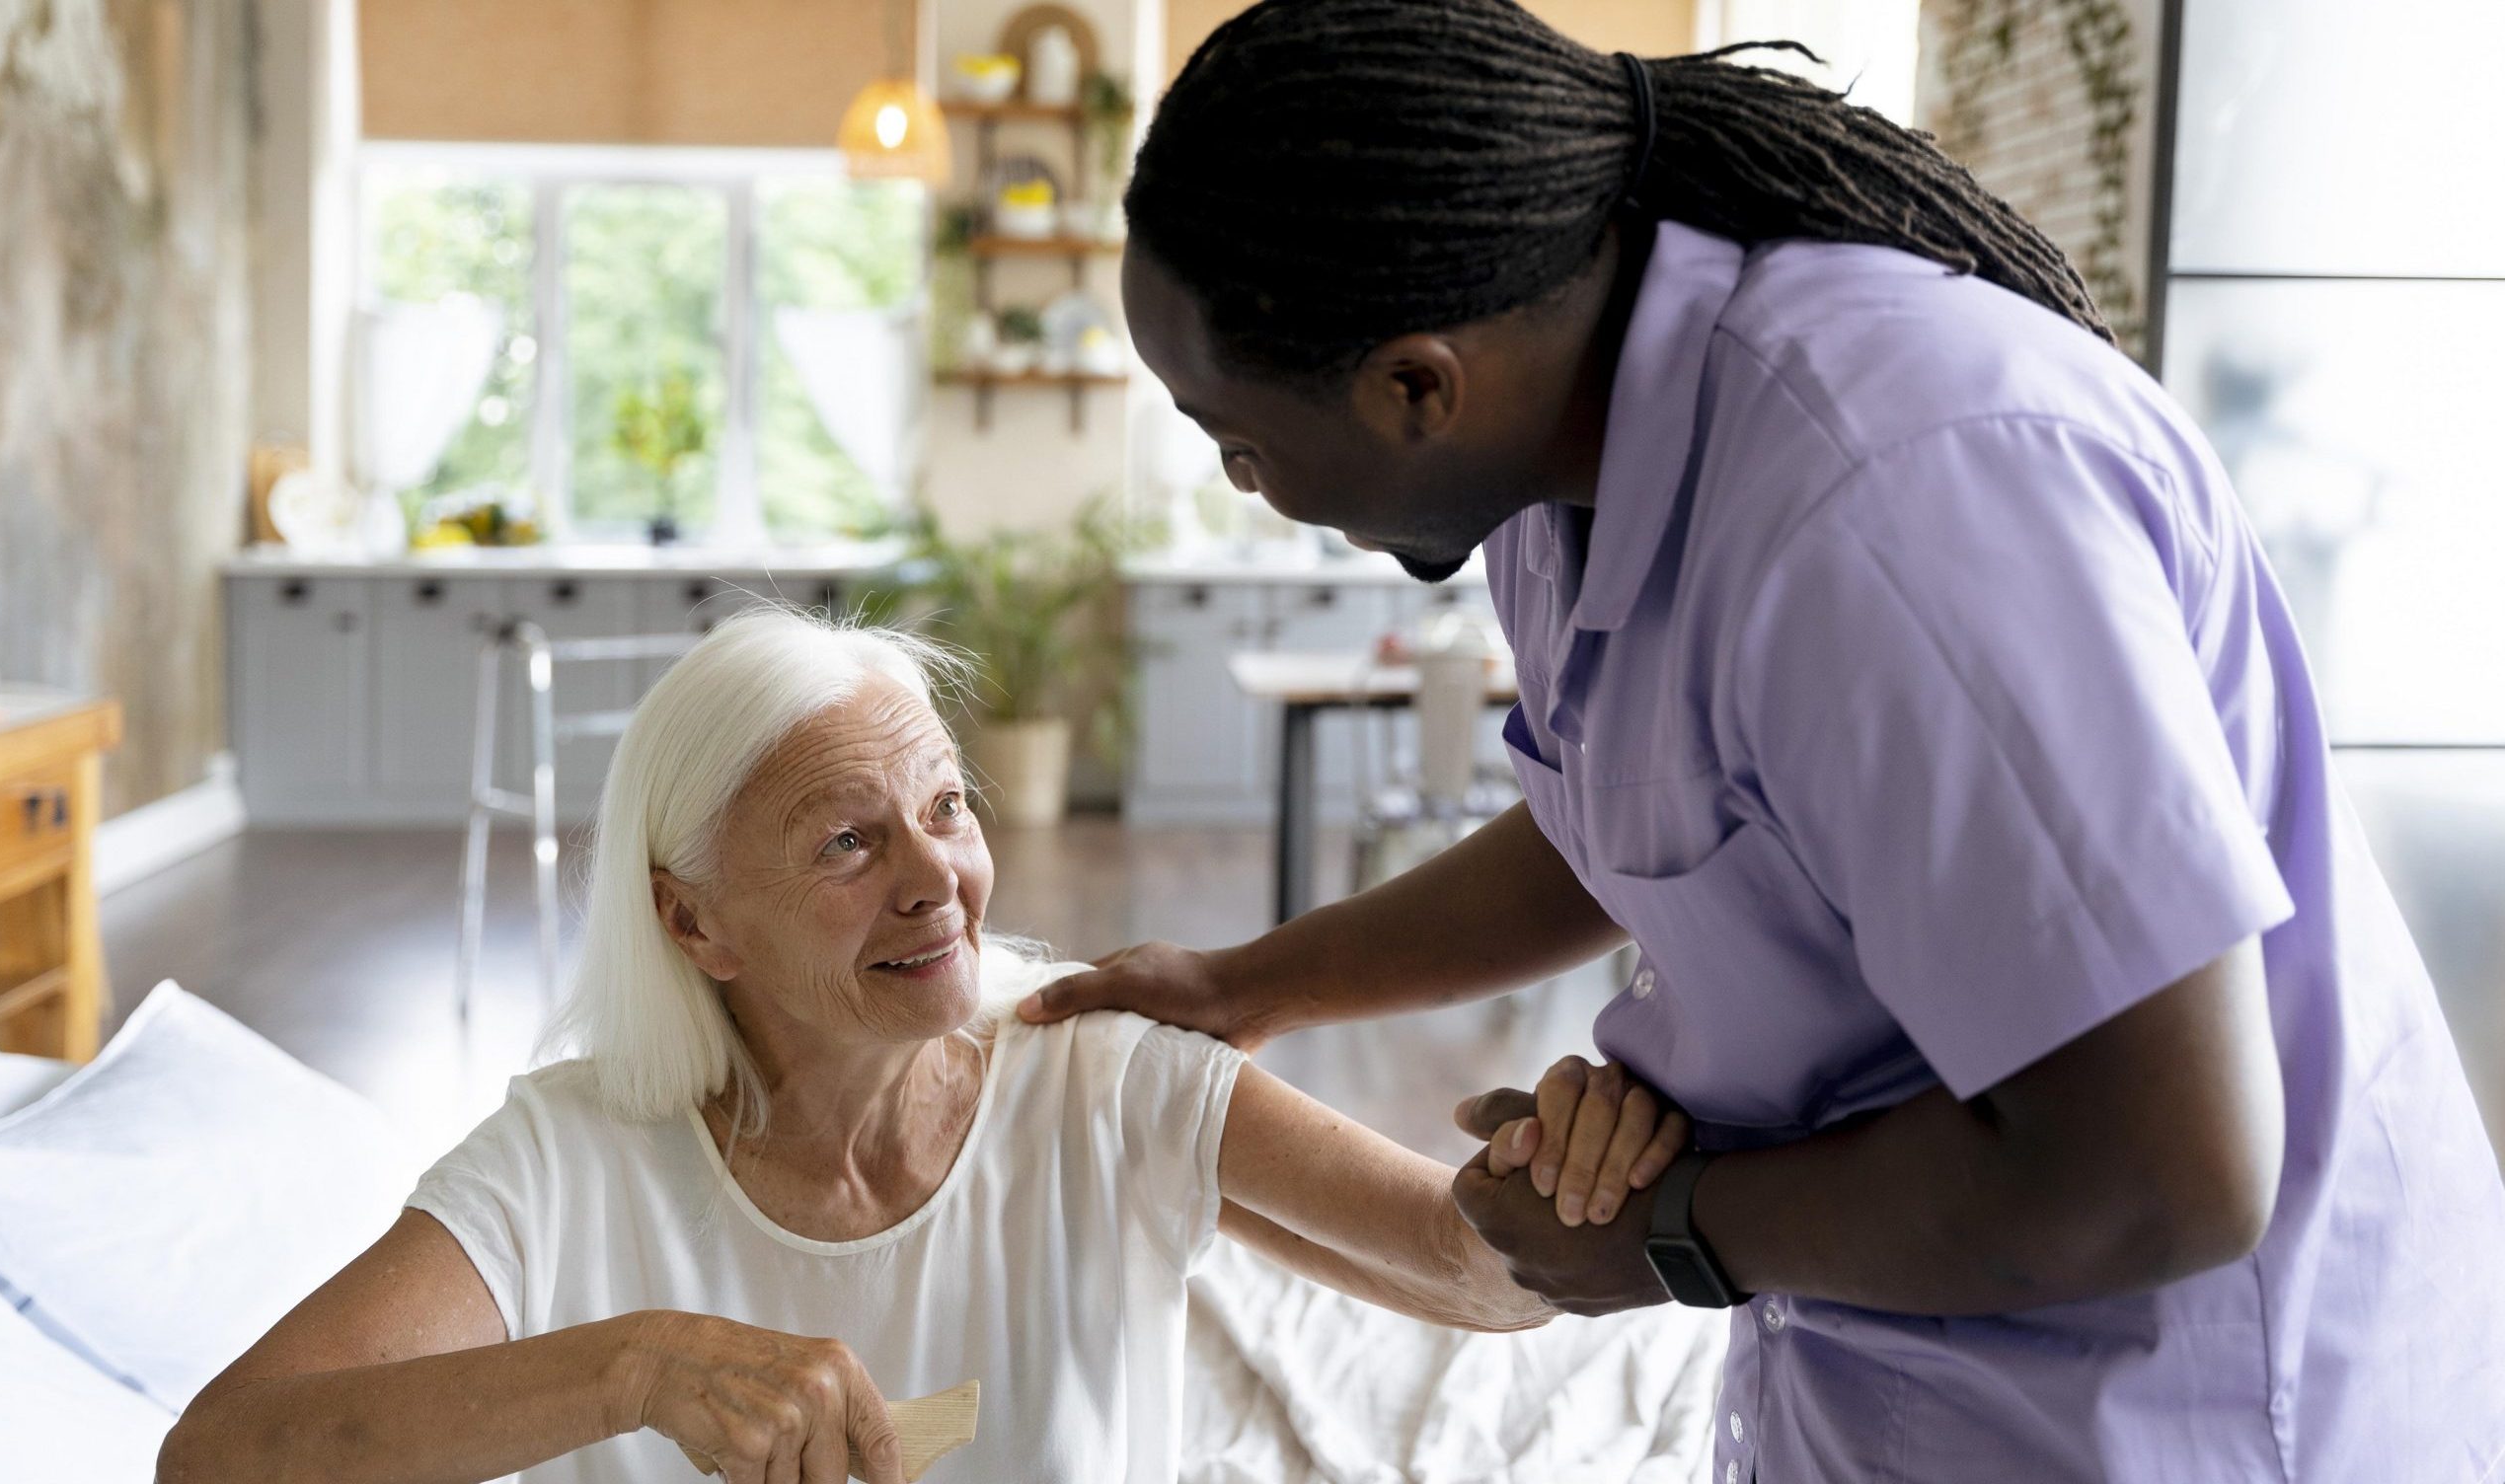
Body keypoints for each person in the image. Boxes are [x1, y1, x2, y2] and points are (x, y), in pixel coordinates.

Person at [1019, 1, 2505, 1477]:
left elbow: (2161, 1175)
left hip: (2181, 1412)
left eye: (1238, 438)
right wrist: (1248, 985)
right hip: (1891, 1368)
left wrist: (1671, 1235)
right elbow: (1626, 816)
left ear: (1416, 385)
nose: (1239, 481)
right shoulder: (1551, 478)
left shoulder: (1902, 500)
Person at [157, 611, 1586, 1484]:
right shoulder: (566, 1158)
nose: (934, 880)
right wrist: (637, 1371)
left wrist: (1571, 1163)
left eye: (946, 809)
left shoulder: (1098, 1067)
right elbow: (217, 1460)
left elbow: (1482, 1278)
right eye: (847, 839)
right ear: (693, 922)